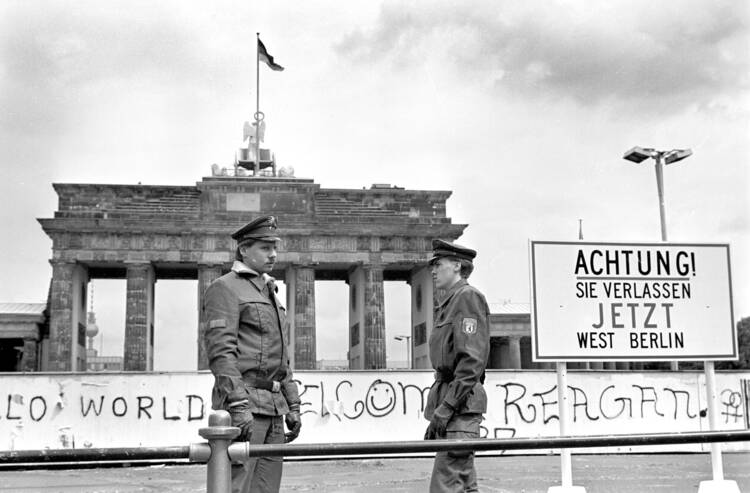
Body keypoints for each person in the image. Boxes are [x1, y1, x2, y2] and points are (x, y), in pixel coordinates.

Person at [202, 215, 301, 493]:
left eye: (275, 248)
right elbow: (221, 353)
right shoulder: (225, 288)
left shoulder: (271, 291)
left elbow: (282, 357)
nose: (273, 254)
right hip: (245, 407)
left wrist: (293, 404)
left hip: (273, 409)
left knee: (267, 488)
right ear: (244, 250)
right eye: (265, 247)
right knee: (237, 486)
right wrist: (237, 405)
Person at [424, 239, 490, 493]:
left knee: (445, 485)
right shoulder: (451, 301)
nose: (433, 270)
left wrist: (447, 408)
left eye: (438, 264)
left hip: (459, 407)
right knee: (462, 483)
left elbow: (471, 361)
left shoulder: (467, 298)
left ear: (456, 266)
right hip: (453, 406)